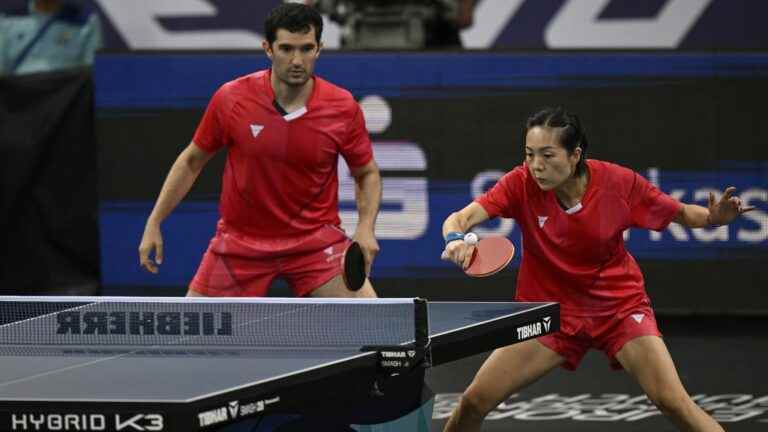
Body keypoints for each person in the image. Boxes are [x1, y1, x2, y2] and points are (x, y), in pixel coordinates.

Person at [440, 107, 753, 432]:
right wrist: (455, 240)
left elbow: (683, 214)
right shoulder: (520, 183)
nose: (536, 166)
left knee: (674, 402)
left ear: (575, 155)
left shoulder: (619, 184)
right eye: (530, 154)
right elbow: (459, 219)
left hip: (617, 307)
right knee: (474, 401)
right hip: (551, 313)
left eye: (548, 155)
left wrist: (714, 218)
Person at [138, 3, 381, 298]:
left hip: (314, 243)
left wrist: (366, 227)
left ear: (319, 49)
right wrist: (155, 220)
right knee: (194, 336)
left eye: (306, 49)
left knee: (376, 326)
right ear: (268, 48)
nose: (296, 60)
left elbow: (366, 173)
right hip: (240, 245)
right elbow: (191, 161)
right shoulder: (232, 99)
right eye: (286, 49)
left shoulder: (342, 107)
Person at [0, 0, 102, 77]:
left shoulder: (86, 22)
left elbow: (97, 78)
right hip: (20, 100)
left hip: (64, 100)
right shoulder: (8, 19)